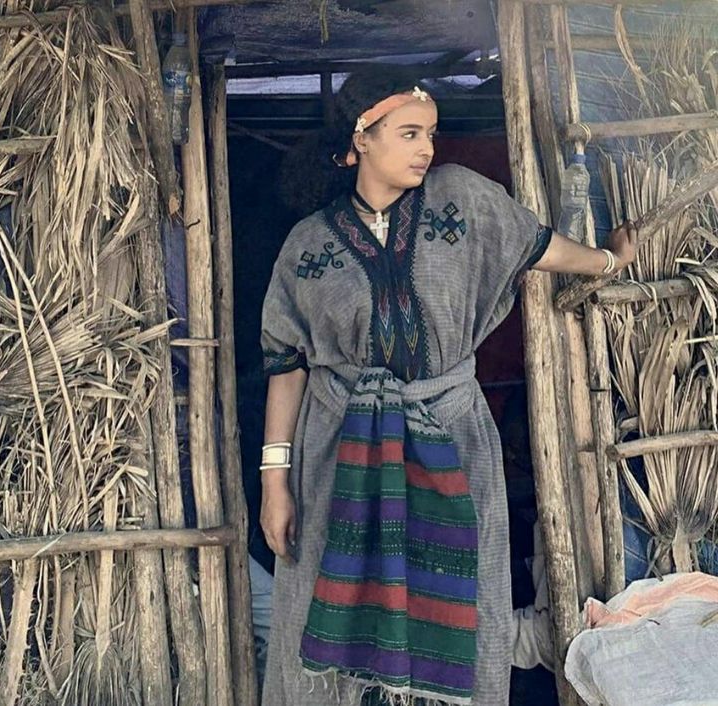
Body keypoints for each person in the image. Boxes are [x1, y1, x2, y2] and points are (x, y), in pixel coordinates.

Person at [258, 67, 637, 706]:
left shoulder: (460, 201)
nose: (426, 148)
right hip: (339, 453)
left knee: (464, 594)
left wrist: (607, 261)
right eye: (408, 134)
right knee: (336, 595)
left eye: (430, 133)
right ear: (361, 141)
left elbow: (538, 246)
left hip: (453, 436)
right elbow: (286, 364)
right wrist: (275, 482)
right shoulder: (308, 246)